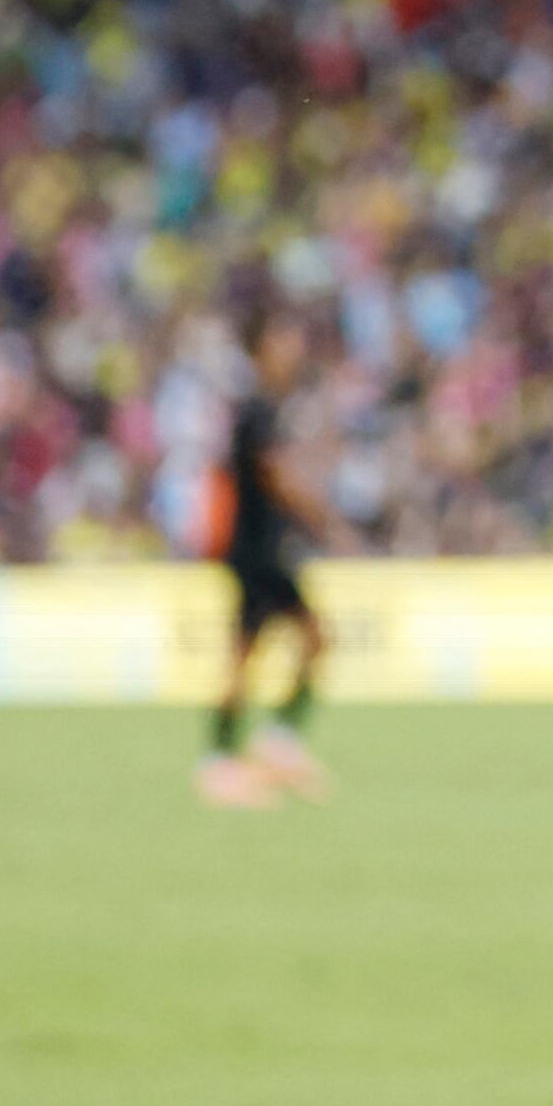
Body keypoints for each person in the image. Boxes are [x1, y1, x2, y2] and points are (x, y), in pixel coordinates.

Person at [200, 328, 331, 807]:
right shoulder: (257, 411)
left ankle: (270, 745)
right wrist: (325, 519)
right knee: (250, 655)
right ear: (260, 352)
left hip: (264, 549)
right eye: (282, 342)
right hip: (256, 551)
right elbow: (277, 477)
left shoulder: (267, 408)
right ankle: (224, 760)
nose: (293, 348)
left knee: (310, 638)